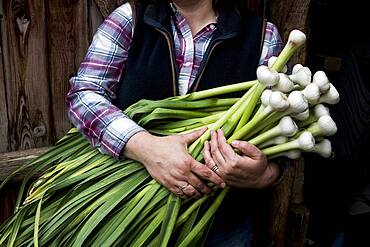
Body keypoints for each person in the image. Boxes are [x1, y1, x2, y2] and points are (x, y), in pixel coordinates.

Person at [66, 0, 284, 245]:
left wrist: (266, 174)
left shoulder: (262, 36)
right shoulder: (130, 19)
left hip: (221, 228)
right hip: (130, 223)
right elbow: (85, 94)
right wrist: (145, 146)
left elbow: (278, 128)